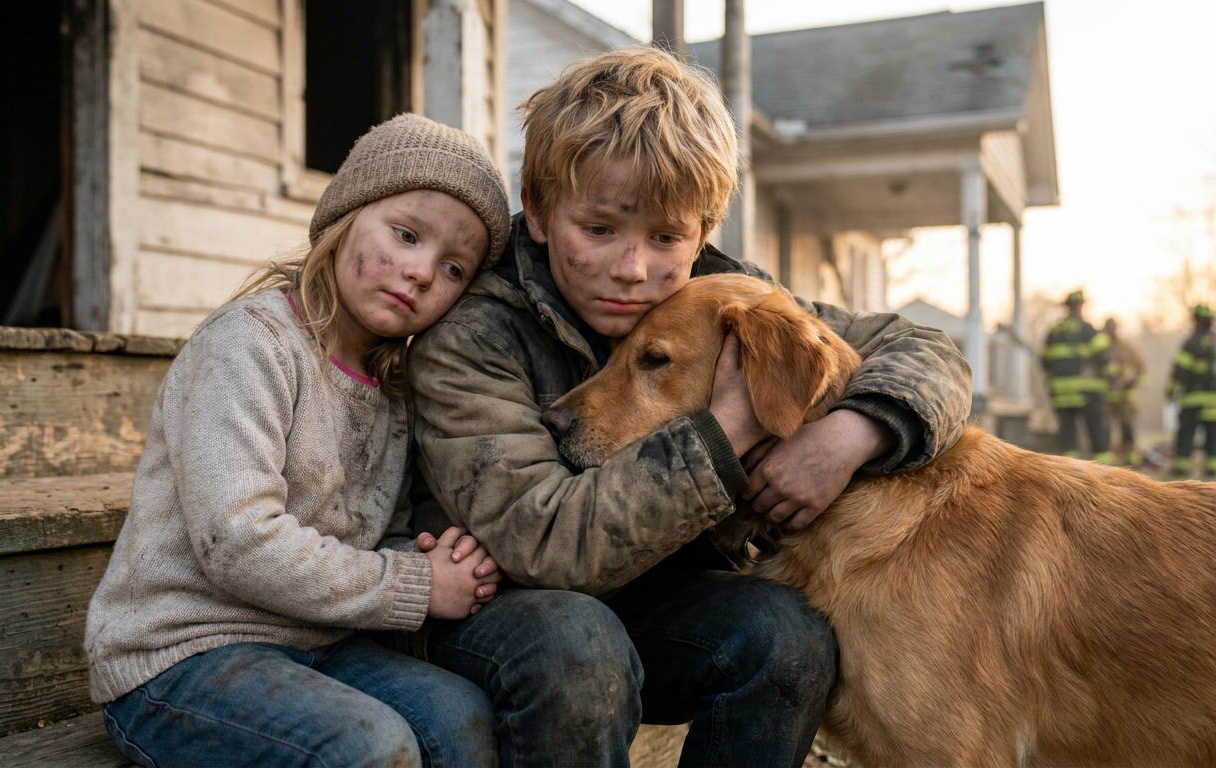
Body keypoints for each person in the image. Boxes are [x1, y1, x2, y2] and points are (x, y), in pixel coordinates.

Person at [405, 47, 972, 767]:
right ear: (540, 212)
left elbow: (922, 346)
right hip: (496, 611)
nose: (633, 268)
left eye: (667, 237)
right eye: (600, 229)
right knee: (576, 641)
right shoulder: (475, 335)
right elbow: (545, 547)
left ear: (702, 234)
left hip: (645, 597)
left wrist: (852, 434)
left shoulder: (717, 292)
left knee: (782, 634)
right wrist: (731, 426)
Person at [84, 114, 513, 768]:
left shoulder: (391, 389)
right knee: (369, 747)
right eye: (405, 235)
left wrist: (438, 561)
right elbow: (238, 540)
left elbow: (374, 533)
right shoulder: (249, 345)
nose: (423, 272)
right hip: (182, 658)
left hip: (317, 644)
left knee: (461, 719)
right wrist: (413, 585)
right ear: (344, 218)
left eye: (454, 268)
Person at [1168, 304, 1216, 479]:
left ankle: (1181, 468)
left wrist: (1170, 391)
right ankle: (1213, 469)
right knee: (1214, 436)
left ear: (1196, 320)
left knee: (1186, 434)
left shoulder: (1192, 342)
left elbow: (1179, 372)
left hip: (1195, 401)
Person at [1041, 290, 1113, 463]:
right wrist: (1112, 378)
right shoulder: (1089, 331)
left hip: (1061, 393)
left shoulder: (1054, 332)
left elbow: (1045, 362)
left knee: (1067, 434)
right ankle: (1103, 470)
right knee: (1096, 431)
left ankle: (1070, 471)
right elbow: (1103, 359)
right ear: (1080, 306)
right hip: (1087, 392)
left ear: (1067, 307)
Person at [1101, 317, 1147, 465]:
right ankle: (1108, 460)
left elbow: (1141, 368)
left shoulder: (1127, 347)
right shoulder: (1100, 348)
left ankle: (1130, 460)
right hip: (1106, 398)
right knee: (1104, 430)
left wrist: (1131, 381)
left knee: (1128, 429)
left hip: (1125, 398)